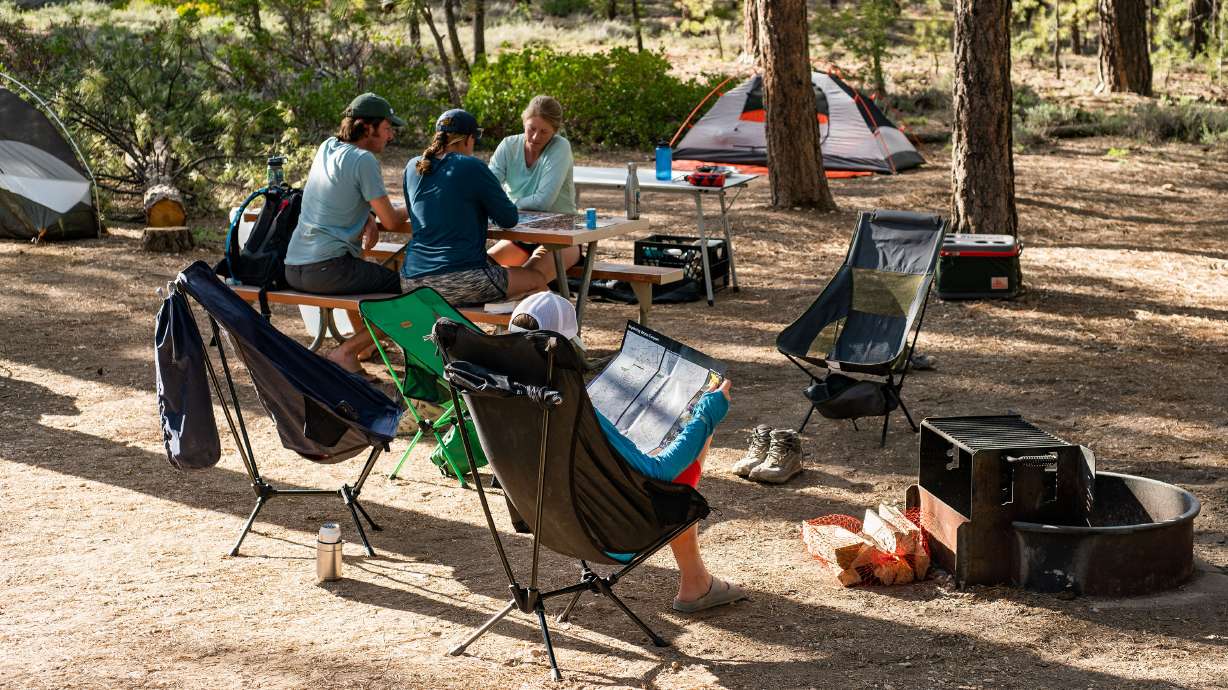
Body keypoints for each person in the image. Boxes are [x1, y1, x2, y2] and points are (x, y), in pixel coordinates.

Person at [509, 294, 748, 614]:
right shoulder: (570, 408)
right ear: (568, 347)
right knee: (695, 436)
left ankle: (697, 580)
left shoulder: (499, 396)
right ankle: (696, 583)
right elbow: (661, 471)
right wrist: (707, 413)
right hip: (613, 529)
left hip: (546, 520)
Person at [283, 92, 412, 374]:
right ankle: (346, 351)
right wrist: (417, 207)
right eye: (388, 128)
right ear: (367, 127)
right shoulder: (363, 160)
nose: (390, 136)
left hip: (294, 266)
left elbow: (333, 193)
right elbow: (390, 221)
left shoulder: (327, 146)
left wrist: (365, 213)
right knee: (414, 295)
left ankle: (361, 348)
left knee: (366, 271)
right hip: (328, 270)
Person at [401, 109, 554, 305]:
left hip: (410, 280)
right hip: (458, 280)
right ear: (468, 139)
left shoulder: (413, 165)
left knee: (499, 274)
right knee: (536, 280)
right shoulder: (471, 166)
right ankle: (546, 334)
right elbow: (509, 218)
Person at [487, 95, 581, 285]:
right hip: (519, 236)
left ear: (555, 131)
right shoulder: (508, 145)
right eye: (532, 129)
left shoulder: (560, 147)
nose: (536, 137)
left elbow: (542, 201)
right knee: (483, 273)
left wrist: (503, 207)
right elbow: (486, 187)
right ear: (524, 122)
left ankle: (553, 315)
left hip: (560, 237)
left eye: (544, 132)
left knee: (529, 280)